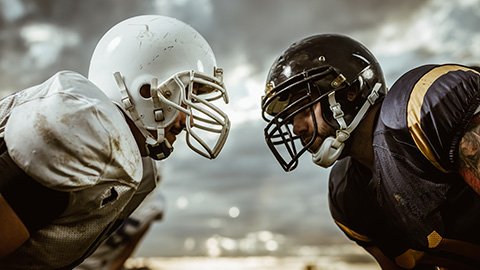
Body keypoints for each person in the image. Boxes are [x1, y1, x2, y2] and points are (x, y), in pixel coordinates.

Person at [0, 14, 230, 269]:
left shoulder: (131, 163)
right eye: (185, 97)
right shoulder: (84, 132)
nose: (187, 120)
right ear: (145, 90)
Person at [261, 34, 480, 269]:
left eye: (303, 108)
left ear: (350, 91)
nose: (296, 128)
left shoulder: (419, 109)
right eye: (289, 118)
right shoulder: (347, 196)